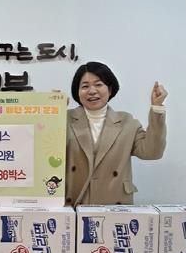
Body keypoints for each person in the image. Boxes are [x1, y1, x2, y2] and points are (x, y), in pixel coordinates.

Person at [65, 61, 167, 206]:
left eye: (98, 84)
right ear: (77, 92)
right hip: (74, 203)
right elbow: (45, 153)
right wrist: (53, 112)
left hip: (114, 205)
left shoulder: (127, 122)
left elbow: (152, 152)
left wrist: (157, 108)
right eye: (85, 86)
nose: (92, 91)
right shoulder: (64, 119)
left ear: (110, 89)